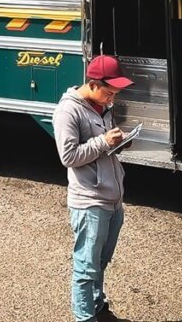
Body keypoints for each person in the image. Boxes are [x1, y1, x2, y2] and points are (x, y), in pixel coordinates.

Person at [52, 55, 135, 322]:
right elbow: (69, 157)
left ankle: (99, 308)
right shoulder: (68, 111)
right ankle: (84, 318)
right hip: (89, 201)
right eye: (109, 93)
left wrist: (120, 142)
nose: (112, 98)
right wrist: (102, 142)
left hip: (112, 197)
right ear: (93, 84)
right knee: (86, 267)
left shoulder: (102, 108)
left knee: (100, 263)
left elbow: (103, 148)